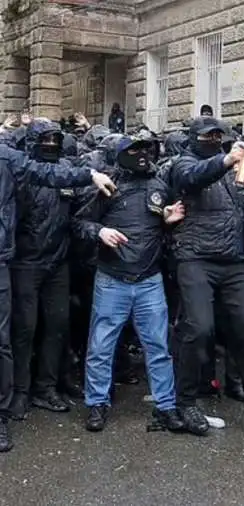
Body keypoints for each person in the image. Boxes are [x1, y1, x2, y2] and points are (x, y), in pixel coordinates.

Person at [0, 120, 116, 453]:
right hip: (24, 263)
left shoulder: (64, 169)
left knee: (57, 326)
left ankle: (45, 388)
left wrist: (95, 183)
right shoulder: (21, 169)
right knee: (23, 330)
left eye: (55, 138)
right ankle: (20, 393)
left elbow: (80, 205)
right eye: (45, 139)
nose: (51, 143)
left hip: (57, 263)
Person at [168, 116, 244, 437]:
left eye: (219, 136)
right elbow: (194, 178)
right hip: (195, 258)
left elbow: (239, 210)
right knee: (199, 329)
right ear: (194, 138)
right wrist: (225, 160)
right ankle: (186, 403)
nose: (214, 140)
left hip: (232, 261)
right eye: (208, 136)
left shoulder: (232, 173)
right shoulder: (183, 164)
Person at [73, 136, 186, 432]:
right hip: (112, 279)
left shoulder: (160, 186)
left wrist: (168, 220)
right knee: (101, 346)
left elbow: (162, 223)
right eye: (133, 150)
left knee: (158, 346)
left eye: (145, 149)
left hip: (149, 280)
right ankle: (97, 404)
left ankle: (165, 407)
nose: (141, 154)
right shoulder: (107, 186)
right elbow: (78, 223)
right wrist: (100, 231)